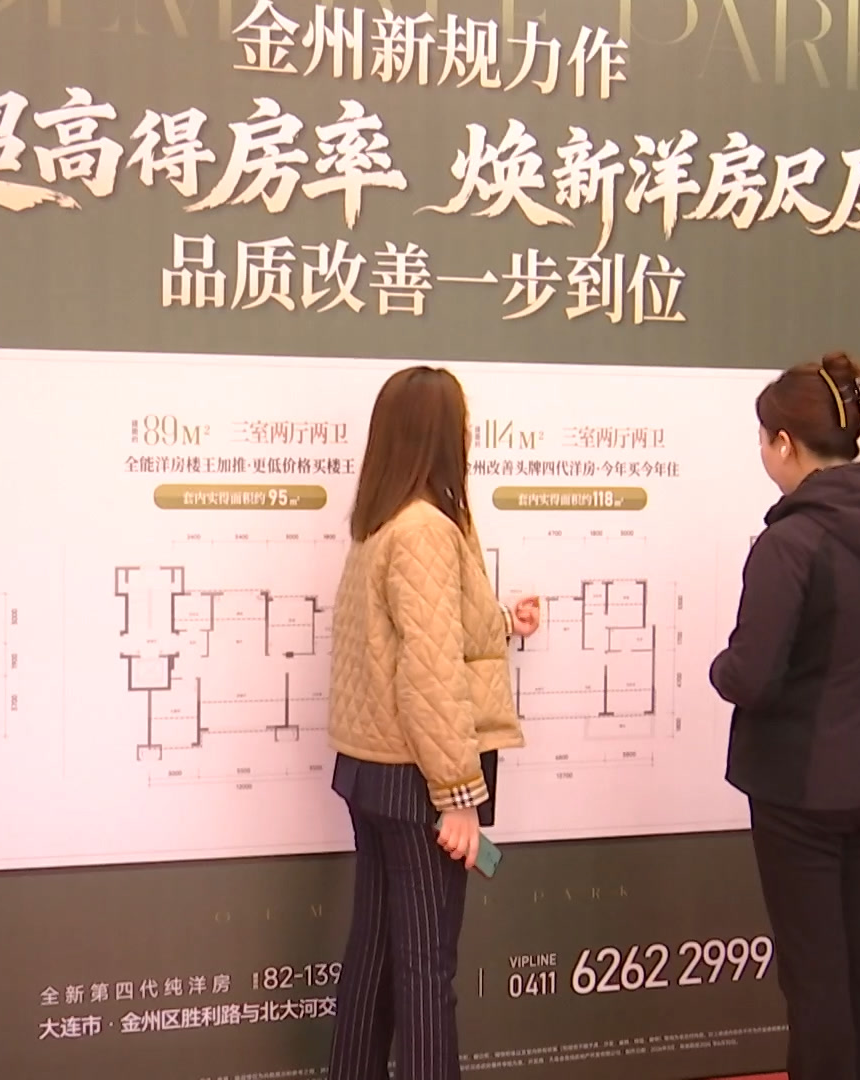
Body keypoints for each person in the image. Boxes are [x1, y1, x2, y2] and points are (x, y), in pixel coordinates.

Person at [710, 351, 860, 1080]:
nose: (762, 453)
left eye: (764, 440)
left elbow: (751, 676)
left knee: (815, 976)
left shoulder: (790, 542)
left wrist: (719, 668)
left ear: (786, 443)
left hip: (799, 789)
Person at [325, 365, 540, 1080]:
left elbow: (417, 642)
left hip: (372, 769)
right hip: (419, 777)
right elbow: (430, 671)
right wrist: (458, 795)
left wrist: (501, 622)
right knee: (425, 969)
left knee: (376, 953)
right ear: (445, 435)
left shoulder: (382, 522)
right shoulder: (425, 530)